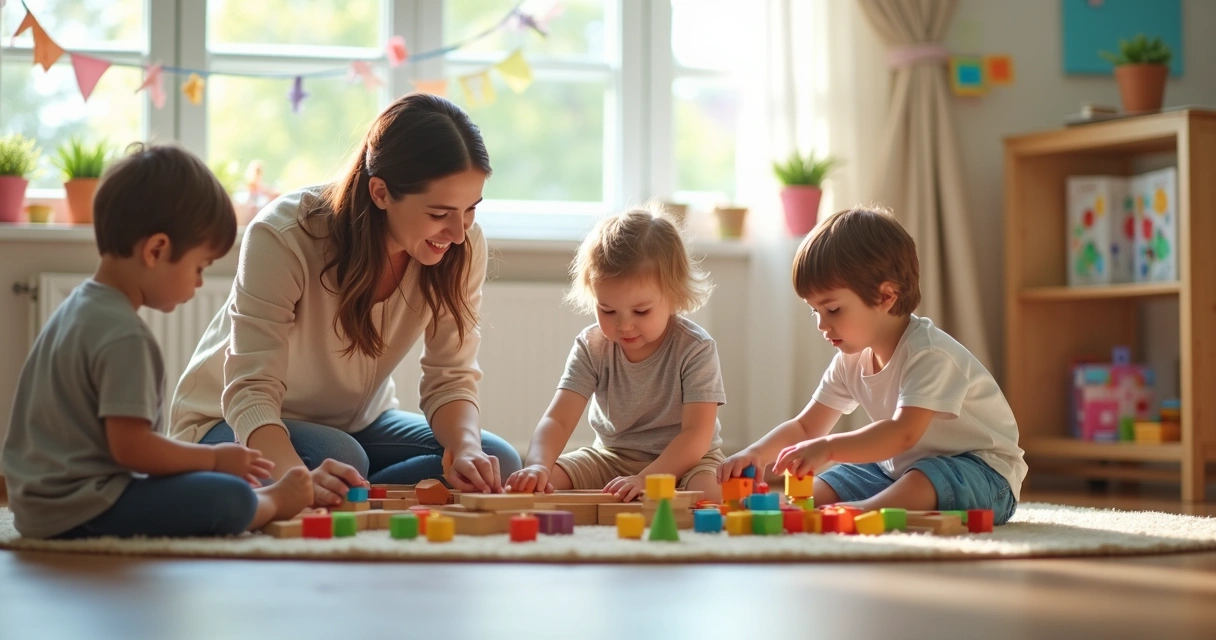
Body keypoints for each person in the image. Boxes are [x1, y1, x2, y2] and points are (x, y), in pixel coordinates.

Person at [170, 94, 521, 506]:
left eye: (470, 210)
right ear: (380, 192)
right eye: (439, 213)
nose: (459, 233)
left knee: (497, 458)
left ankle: (351, 488)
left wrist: (465, 449)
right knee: (339, 454)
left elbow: (451, 376)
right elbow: (251, 390)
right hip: (234, 421)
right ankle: (333, 481)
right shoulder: (283, 236)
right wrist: (295, 479)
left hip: (357, 425)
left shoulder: (459, 246)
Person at [2, 144, 311, 539]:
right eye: (198, 267)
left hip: (37, 503)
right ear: (157, 250)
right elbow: (132, 450)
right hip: (83, 508)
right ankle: (271, 504)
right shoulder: (124, 336)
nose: (199, 283)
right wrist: (214, 458)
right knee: (228, 495)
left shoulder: (76, 308)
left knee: (208, 483)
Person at [718, 206, 1025, 524]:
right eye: (815, 311)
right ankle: (809, 509)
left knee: (924, 477)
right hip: (899, 468)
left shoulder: (930, 355)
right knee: (836, 478)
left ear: (886, 296)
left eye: (833, 309)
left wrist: (828, 446)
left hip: (982, 474)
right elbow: (807, 426)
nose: (822, 325)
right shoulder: (849, 361)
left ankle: (865, 512)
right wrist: (756, 453)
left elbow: (902, 434)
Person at [504, 204, 726, 502]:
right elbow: (558, 420)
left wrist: (648, 478)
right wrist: (537, 467)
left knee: (708, 492)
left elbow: (696, 436)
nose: (624, 325)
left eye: (641, 311)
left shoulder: (696, 348)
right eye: (607, 310)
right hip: (611, 459)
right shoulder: (592, 345)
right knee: (545, 483)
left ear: (674, 297)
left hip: (686, 462)